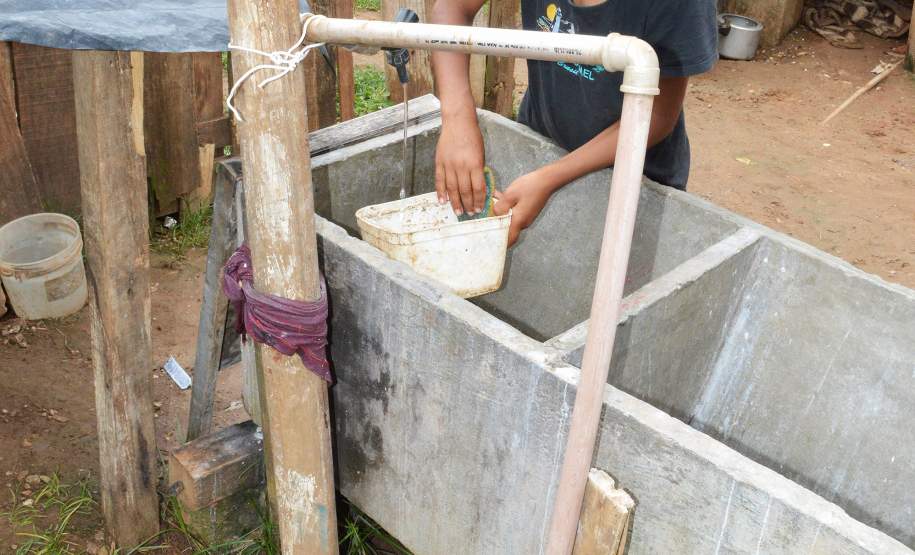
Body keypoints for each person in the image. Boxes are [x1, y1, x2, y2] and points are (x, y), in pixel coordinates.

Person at [430, 0, 718, 245]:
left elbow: (657, 115)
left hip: (638, 181)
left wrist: (550, 178)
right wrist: (457, 119)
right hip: (542, 144)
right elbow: (452, 7)